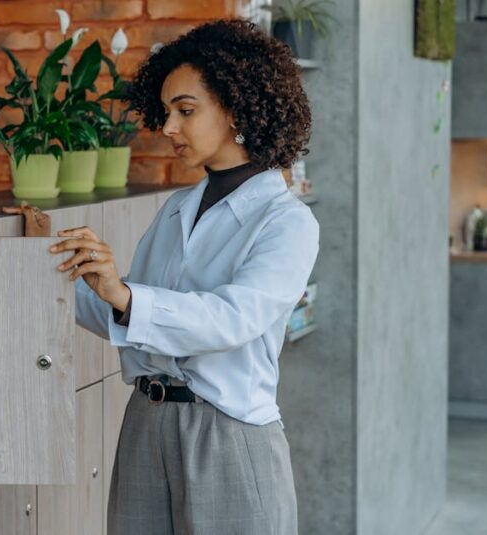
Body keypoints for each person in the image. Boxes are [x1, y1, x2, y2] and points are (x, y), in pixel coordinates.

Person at [47, 19, 318, 534]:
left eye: (185, 111)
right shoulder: (178, 208)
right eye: (167, 111)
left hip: (228, 436)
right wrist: (43, 262)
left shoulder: (286, 221)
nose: (168, 127)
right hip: (145, 425)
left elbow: (231, 319)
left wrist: (124, 294)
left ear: (238, 108)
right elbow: (127, 318)